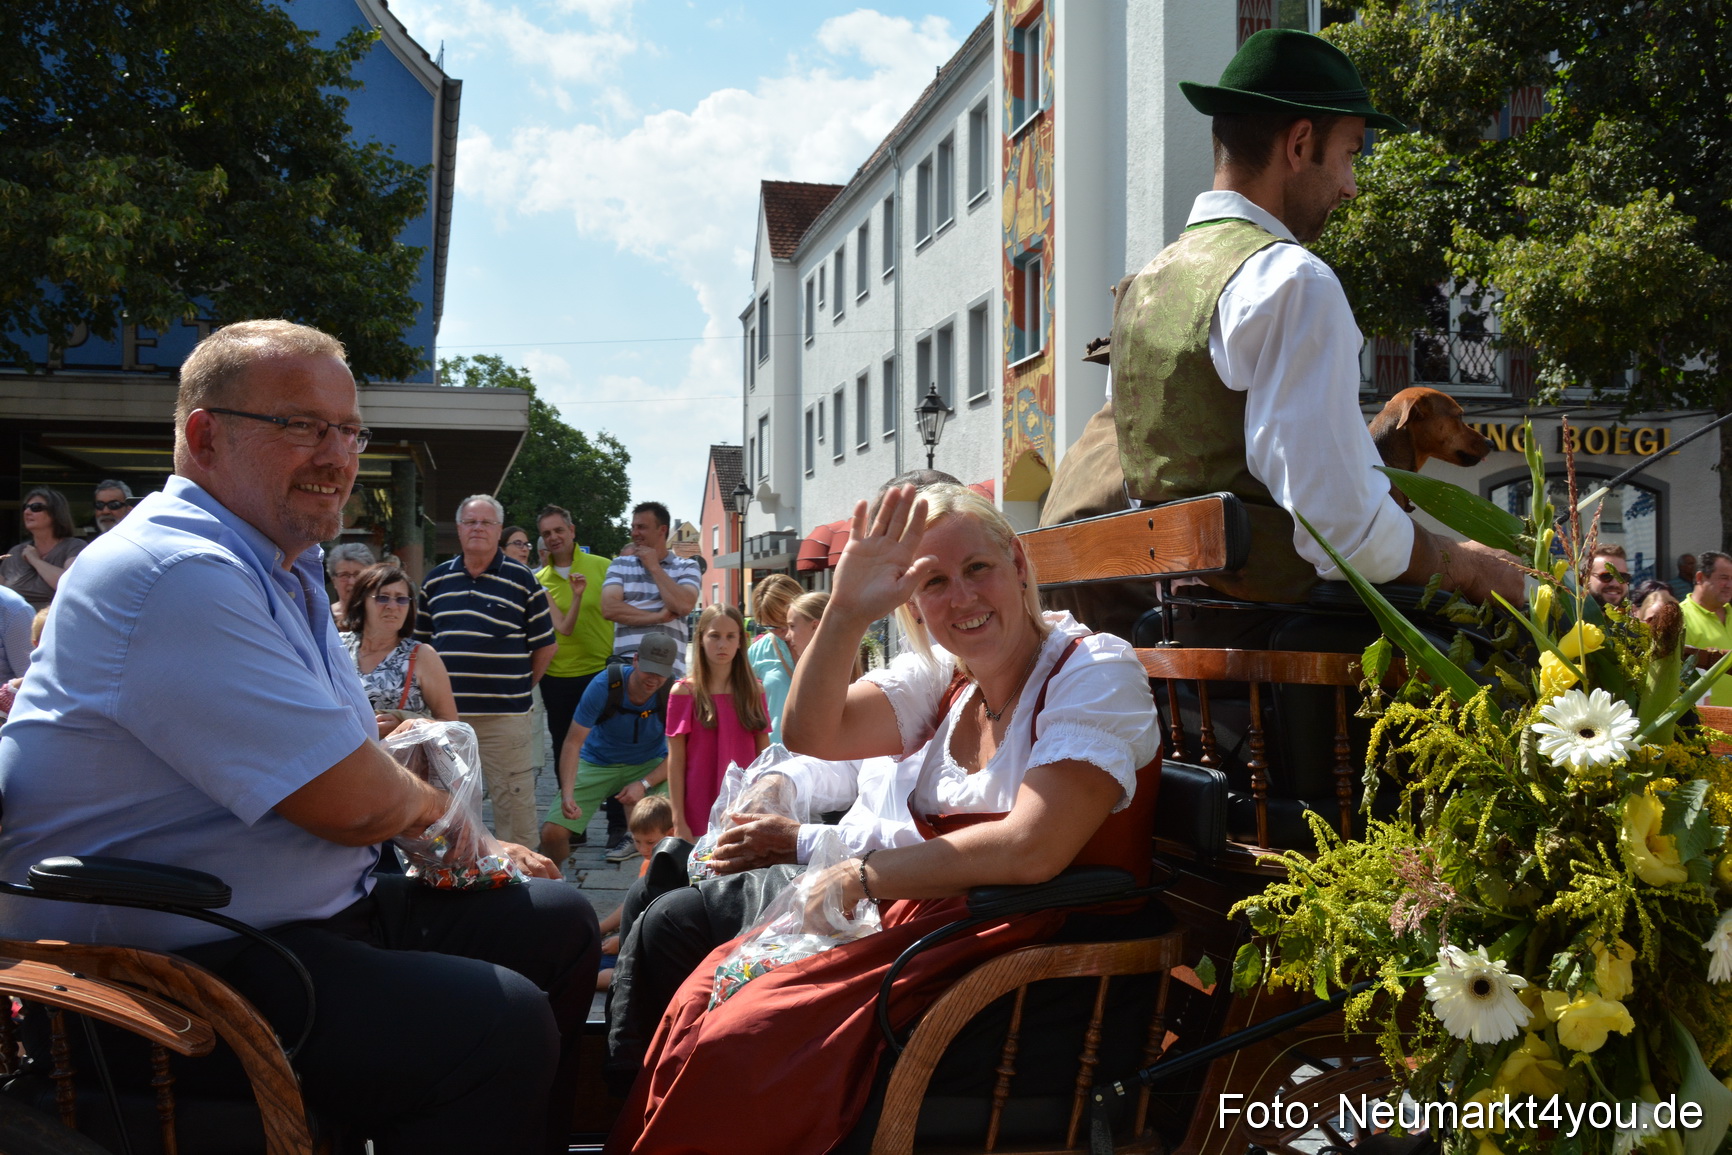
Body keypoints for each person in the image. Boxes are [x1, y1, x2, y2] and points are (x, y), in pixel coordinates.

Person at [0, 319, 598, 1154]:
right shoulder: (176, 572)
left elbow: (347, 761)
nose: (338, 454)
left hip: (290, 920)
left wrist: (476, 840)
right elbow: (348, 799)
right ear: (204, 434)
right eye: (301, 425)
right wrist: (457, 826)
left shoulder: (277, 566)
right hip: (169, 969)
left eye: (350, 430)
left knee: (560, 921)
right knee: (496, 1028)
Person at [607, 483, 1163, 1154]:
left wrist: (862, 873)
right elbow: (812, 730)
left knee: (741, 1037)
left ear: (1018, 562)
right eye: (933, 581)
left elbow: (1033, 848)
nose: (960, 597)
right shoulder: (948, 680)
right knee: (703, 998)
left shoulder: (1094, 668)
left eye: (977, 568)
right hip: (940, 930)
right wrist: (845, 608)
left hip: (1033, 965)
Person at [1112, 29, 1523, 619]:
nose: (1352, 187)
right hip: (1297, 663)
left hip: (1180, 649)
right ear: (1300, 144)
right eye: (1351, 154)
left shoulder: (1143, 289)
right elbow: (1342, 531)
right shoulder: (1291, 280)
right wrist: (1471, 563)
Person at [418, 494, 556, 848]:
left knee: (514, 801)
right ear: (459, 529)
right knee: (448, 803)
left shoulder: (523, 580)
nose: (478, 528)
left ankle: (525, 881)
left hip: (504, 719)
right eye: (470, 522)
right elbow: (419, 648)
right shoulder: (435, 582)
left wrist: (520, 687)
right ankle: (451, 871)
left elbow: (545, 644)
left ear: (498, 530)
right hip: (447, 719)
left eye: (486, 522)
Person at [538, 632, 679, 865]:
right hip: (597, 761)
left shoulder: (672, 691)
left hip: (649, 763)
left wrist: (644, 784)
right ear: (635, 660)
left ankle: (656, 879)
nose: (653, 679)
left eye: (661, 672)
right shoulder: (605, 684)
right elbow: (573, 742)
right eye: (648, 669)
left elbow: (678, 754)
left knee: (672, 827)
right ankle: (556, 881)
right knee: (552, 834)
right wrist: (568, 793)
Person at [534, 504, 616, 838]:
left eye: (558, 530)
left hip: (600, 672)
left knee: (609, 748)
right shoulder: (539, 581)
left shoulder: (604, 567)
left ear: (572, 531)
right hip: (559, 677)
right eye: (547, 533)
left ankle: (617, 828)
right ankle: (572, 824)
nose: (553, 537)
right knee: (565, 751)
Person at [666, 605, 770, 840]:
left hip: (743, 805)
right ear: (701, 638)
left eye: (730, 636)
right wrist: (678, 819)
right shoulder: (683, 692)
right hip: (697, 805)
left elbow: (764, 758)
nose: (722, 644)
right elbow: (676, 761)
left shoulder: (755, 690)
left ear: (741, 641)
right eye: (714, 636)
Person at [339, 562, 458, 736]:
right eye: (383, 597)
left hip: (396, 761)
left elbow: (452, 726)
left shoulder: (421, 656)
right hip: (342, 757)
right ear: (361, 601)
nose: (393, 606)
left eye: (401, 599)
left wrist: (405, 725)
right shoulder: (338, 647)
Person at [602, 501, 701, 678]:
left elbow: (683, 605)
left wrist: (654, 567)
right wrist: (658, 617)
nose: (634, 533)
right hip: (627, 669)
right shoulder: (619, 564)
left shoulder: (688, 567)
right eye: (633, 527)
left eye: (641, 527)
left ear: (662, 530)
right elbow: (609, 608)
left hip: (670, 672)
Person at [595, 796, 678, 992]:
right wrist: (601, 927)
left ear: (670, 834)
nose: (642, 849)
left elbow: (656, 920)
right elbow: (634, 903)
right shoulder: (650, 860)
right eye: (636, 841)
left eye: (650, 842)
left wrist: (624, 941)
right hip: (637, 939)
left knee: (592, 975)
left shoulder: (668, 869)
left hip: (655, 946)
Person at [1, 486, 85, 610]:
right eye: (26, 507)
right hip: (18, 625)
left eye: (35, 508)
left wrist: (35, 560)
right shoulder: (15, 552)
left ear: (55, 513)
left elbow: (70, 584)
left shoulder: (74, 546)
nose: (27, 512)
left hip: (53, 623)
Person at [746, 573, 803, 744]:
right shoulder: (757, 652)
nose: (784, 633)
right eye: (772, 626)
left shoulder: (827, 645)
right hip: (776, 755)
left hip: (823, 756)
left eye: (787, 624)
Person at [1681, 550, 1732, 707]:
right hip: (1706, 724)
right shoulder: (1680, 618)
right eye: (1724, 578)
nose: (1730, 585)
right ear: (1700, 578)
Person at [324, 541, 376, 621]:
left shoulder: (378, 617)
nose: (352, 582)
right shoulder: (323, 618)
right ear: (334, 581)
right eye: (344, 575)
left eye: (358, 574)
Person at [1583, 543, 1631, 608]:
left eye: (1622, 577)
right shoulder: (1571, 616)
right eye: (1606, 576)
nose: (1615, 584)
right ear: (1584, 580)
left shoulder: (1635, 617)